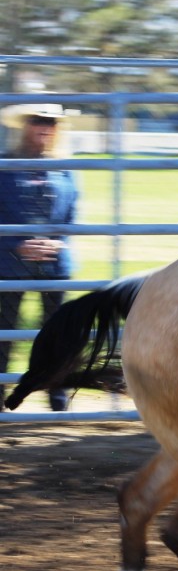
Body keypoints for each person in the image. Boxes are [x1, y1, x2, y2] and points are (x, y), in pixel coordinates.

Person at [0, 102, 79, 411]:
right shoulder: (5, 164)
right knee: (6, 333)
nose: (44, 127)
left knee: (57, 335)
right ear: (25, 125)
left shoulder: (64, 167)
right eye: (37, 120)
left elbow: (72, 212)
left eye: (51, 122)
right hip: (10, 263)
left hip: (54, 264)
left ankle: (58, 401)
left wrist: (58, 242)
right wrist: (17, 243)